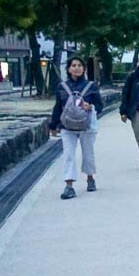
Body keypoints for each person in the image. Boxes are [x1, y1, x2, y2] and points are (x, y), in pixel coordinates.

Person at [48, 57, 104, 199]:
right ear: (68, 69)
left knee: (88, 153)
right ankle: (69, 185)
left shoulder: (91, 86)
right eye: (74, 65)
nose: (77, 68)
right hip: (67, 126)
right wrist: (53, 125)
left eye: (80, 65)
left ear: (84, 69)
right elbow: (58, 108)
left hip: (87, 126)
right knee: (69, 155)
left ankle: (90, 177)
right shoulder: (62, 87)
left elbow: (100, 106)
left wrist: (90, 106)